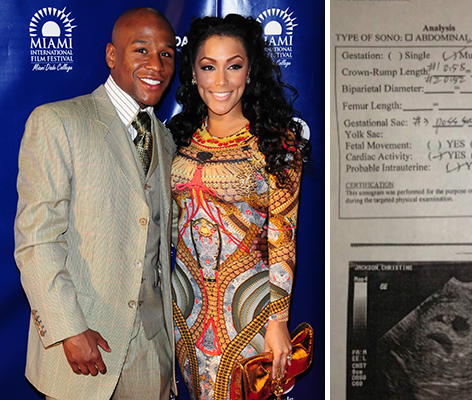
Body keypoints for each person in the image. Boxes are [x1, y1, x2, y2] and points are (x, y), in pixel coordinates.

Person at [14, 7, 178, 400]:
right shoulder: (58, 122)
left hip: (151, 351)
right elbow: (36, 240)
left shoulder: (167, 141)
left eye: (167, 53)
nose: (156, 64)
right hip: (84, 345)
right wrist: (68, 328)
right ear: (112, 56)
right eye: (141, 50)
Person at [167, 14, 310, 400]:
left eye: (234, 66)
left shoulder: (276, 144)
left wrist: (278, 321)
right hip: (185, 312)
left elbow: (283, 236)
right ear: (194, 74)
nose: (221, 81)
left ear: (250, 72)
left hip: (249, 314)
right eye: (208, 67)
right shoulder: (177, 141)